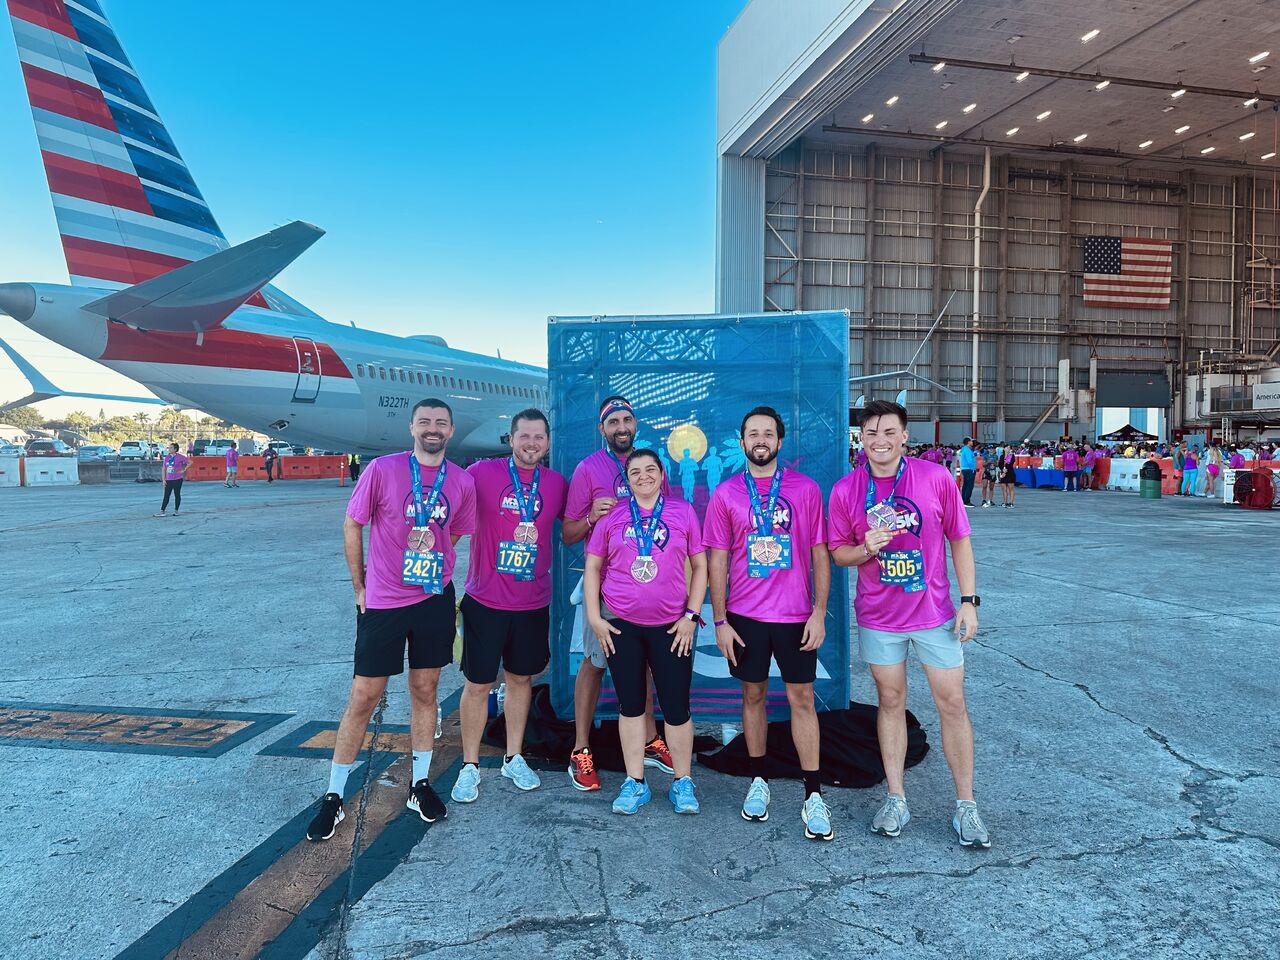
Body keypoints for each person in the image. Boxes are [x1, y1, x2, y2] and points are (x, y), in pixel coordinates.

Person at [306, 399, 476, 841]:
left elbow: (456, 530)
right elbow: (353, 523)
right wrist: (359, 585)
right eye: (425, 422)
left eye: (441, 423)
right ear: (412, 428)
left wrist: (432, 559)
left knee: (426, 690)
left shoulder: (461, 480)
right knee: (364, 695)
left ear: (451, 430)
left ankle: (419, 784)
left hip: (433, 598)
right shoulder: (383, 469)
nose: (433, 429)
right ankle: (334, 795)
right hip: (383, 601)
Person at [828, 399, 989, 848]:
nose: (879, 441)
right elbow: (838, 553)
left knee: (952, 703)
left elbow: (960, 539)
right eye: (871, 433)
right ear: (861, 439)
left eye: (888, 432)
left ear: (904, 437)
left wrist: (969, 601)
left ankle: (966, 805)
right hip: (879, 618)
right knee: (890, 700)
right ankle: (896, 798)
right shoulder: (846, 490)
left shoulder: (935, 478)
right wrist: (866, 548)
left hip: (934, 615)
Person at [705, 406, 833, 840]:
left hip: (796, 616)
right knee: (753, 695)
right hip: (745, 616)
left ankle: (813, 793)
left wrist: (819, 611)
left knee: (802, 699)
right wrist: (720, 619)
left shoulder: (805, 489)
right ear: (742, 441)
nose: (760, 440)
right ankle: (758, 779)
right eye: (753, 433)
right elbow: (717, 559)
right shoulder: (726, 493)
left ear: (780, 440)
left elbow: (819, 552)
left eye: (768, 433)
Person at [451, 409, 568, 804]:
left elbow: (572, 529)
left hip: (532, 602)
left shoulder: (556, 484)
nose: (531, 443)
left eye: (539, 437)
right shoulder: (481, 473)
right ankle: (469, 765)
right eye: (524, 436)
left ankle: (514, 757)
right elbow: (448, 511)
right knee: (478, 684)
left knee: (520, 680)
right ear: (511, 439)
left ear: (547, 443)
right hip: (485, 600)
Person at [583, 448, 707, 815]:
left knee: (676, 707)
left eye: (650, 469)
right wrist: (595, 618)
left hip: (672, 626)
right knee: (631, 705)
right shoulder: (614, 516)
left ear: (662, 474)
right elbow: (593, 567)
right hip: (621, 625)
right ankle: (635, 782)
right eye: (635, 472)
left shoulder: (683, 511)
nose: (643, 476)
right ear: (627, 480)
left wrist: (691, 615)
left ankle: (683, 782)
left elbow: (700, 566)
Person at [561, 396, 674, 791]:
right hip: (606, 588)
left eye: (627, 419)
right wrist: (592, 516)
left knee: (645, 666)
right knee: (594, 662)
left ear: (635, 424)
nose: (621, 427)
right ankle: (581, 749)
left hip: (649, 586)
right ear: (602, 429)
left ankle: (648, 739)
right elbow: (568, 533)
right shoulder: (589, 469)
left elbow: (668, 519)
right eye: (613, 422)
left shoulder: (650, 465)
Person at [156, 442, 189, 517]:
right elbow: (164, 468)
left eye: (171, 448)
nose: (169, 449)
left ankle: (176, 510)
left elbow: (190, 462)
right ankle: (162, 511)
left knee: (177, 494)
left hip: (177, 479)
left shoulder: (180, 457)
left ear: (175, 449)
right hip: (169, 479)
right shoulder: (167, 458)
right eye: (169, 448)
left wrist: (184, 470)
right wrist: (164, 479)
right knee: (166, 495)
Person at [957, 438, 977, 507]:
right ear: (968, 442)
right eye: (971, 441)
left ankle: (964, 500)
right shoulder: (967, 450)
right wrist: (973, 468)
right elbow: (969, 461)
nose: (972, 442)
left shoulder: (964, 449)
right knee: (969, 485)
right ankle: (966, 501)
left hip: (965, 469)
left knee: (966, 485)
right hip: (969, 469)